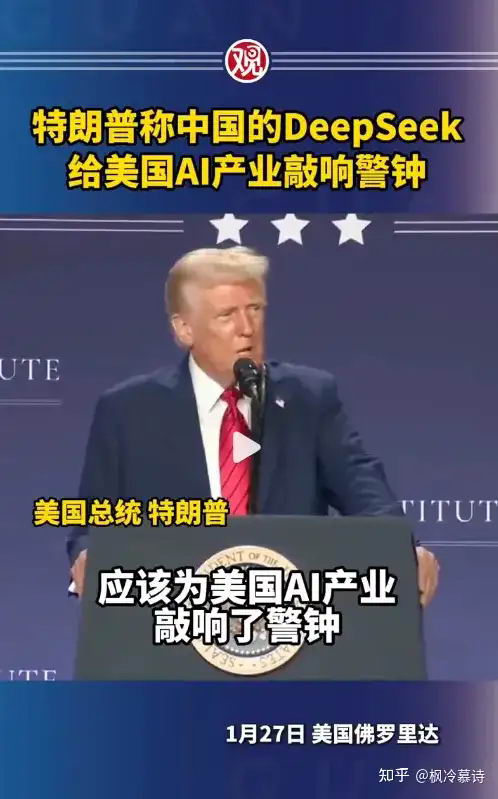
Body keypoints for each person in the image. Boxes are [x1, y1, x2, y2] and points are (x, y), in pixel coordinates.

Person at [68, 246, 439, 603]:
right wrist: (89, 557)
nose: (247, 328)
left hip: (289, 612)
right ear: (184, 329)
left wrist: (402, 546)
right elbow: (92, 523)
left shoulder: (308, 399)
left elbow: (363, 489)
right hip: (173, 616)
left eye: (255, 309)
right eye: (226, 315)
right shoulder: (129, 411)